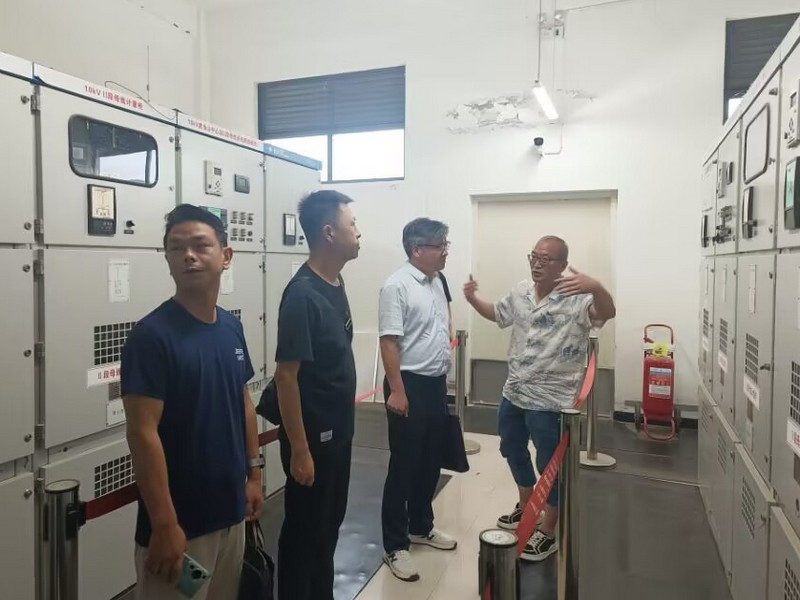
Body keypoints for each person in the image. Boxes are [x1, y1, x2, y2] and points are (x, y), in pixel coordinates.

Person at [121, 204, 264, 600]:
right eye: (176, 248)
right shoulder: (152, 337)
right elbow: (142, 433)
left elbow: (243, 402)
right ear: (167, 260)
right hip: (182, 529)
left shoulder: (231, 327)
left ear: (226, 255)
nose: (188, 255)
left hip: (230, 513)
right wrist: (165, 524)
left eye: (201, 245)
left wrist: (254, 476)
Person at [463, 235, 615, 561]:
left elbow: (607, 311)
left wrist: (596, 286)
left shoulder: (577, 297)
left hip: (551, 399)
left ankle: (547, 529)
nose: (537, 264)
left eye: (546, 259)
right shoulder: (521, 291)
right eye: (534, 257)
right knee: (511, 448)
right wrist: (473, 299)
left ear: (562, 265)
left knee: (549, 465)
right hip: (515, 390)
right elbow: (498, 314)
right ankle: (527, 505)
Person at [273, 190, 361, 600]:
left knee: (327, 530)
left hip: (339, 434)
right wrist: (300, 450)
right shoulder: (302, 296)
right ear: (329, 233)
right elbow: (286, 377)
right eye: (352, 224)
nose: (358, 232)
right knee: (304, 536)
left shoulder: (335, 282)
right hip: (312, 442)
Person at [379, 217, 458, 582]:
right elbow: (388, 341)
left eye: (445, 244)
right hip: (407, 384)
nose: (445, 252)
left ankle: (421, 526)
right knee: (404, 465)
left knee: (429, 461)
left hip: (435, 384)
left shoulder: (439, 280)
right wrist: (397, 390)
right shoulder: (396, 285)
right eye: (440, 245)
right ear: (417, 249)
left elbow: (444, 318)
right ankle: (395, 544)